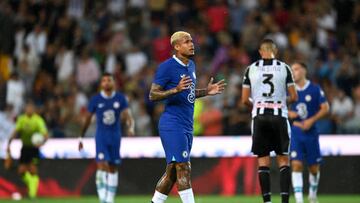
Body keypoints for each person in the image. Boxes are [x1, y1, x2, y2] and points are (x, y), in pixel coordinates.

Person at [149, 31, 226, 203]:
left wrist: (206, 91)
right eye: (186, 42)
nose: (191, 44)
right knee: (184, 167)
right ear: (176, 47)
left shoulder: (190, 65)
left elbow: (189, 93)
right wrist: (174, 90)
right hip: (172, 123)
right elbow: (153, 95)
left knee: (172, 173)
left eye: (191, 41)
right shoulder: (166, 67)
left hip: (187, 125)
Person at [241, 39, 298, 203]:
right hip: (279, 115)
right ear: (276, 51)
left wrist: (258, 105)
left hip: (259, 117)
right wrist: (279, 103)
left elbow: (244, 100)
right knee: (283, 160)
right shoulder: (284, 68)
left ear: (260, 51)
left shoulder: (250, 69)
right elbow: (294, 96)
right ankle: (285, 201)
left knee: (263, 161)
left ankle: (267, 201)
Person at [78, 73, 134, 203]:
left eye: (109, 80)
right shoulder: (96, 99)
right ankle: (103, 198)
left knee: (113, 167)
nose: (106, 83)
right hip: (101, 136)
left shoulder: (120, 98)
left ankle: (110, 198)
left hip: (115, 136)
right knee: (102, 164)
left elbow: (127, 115)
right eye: (104, 81)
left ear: (114, 83)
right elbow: (87, 119)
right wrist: (81, 137)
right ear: (101, 84)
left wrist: (130, 127)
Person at [288, 62, 329, 203]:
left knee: (313, 168)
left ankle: (312, 193)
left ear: (304, 70)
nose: (293, 72)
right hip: (296, 132)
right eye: (291, 69)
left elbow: (325, 108)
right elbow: (279, 107)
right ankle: (299, 200)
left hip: (311, 132)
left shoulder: (315, 89)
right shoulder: (289, 89)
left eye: (296, 69)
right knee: (296, 164)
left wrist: (312, 120)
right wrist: (288, 113)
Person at [6, 101, 49, 199]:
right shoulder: (22, 119)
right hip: (25, 148)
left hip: (34, 148)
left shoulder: (38, 120)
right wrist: (9, 143)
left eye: (31, 108)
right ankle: (31, 183)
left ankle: (32, 194)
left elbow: (46, 135)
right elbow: (16, 132)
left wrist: (41, 144)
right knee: (21, 171)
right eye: (27, 108)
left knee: (33, 169)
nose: (29, 110)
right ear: (25, 109)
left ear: (33, 110)